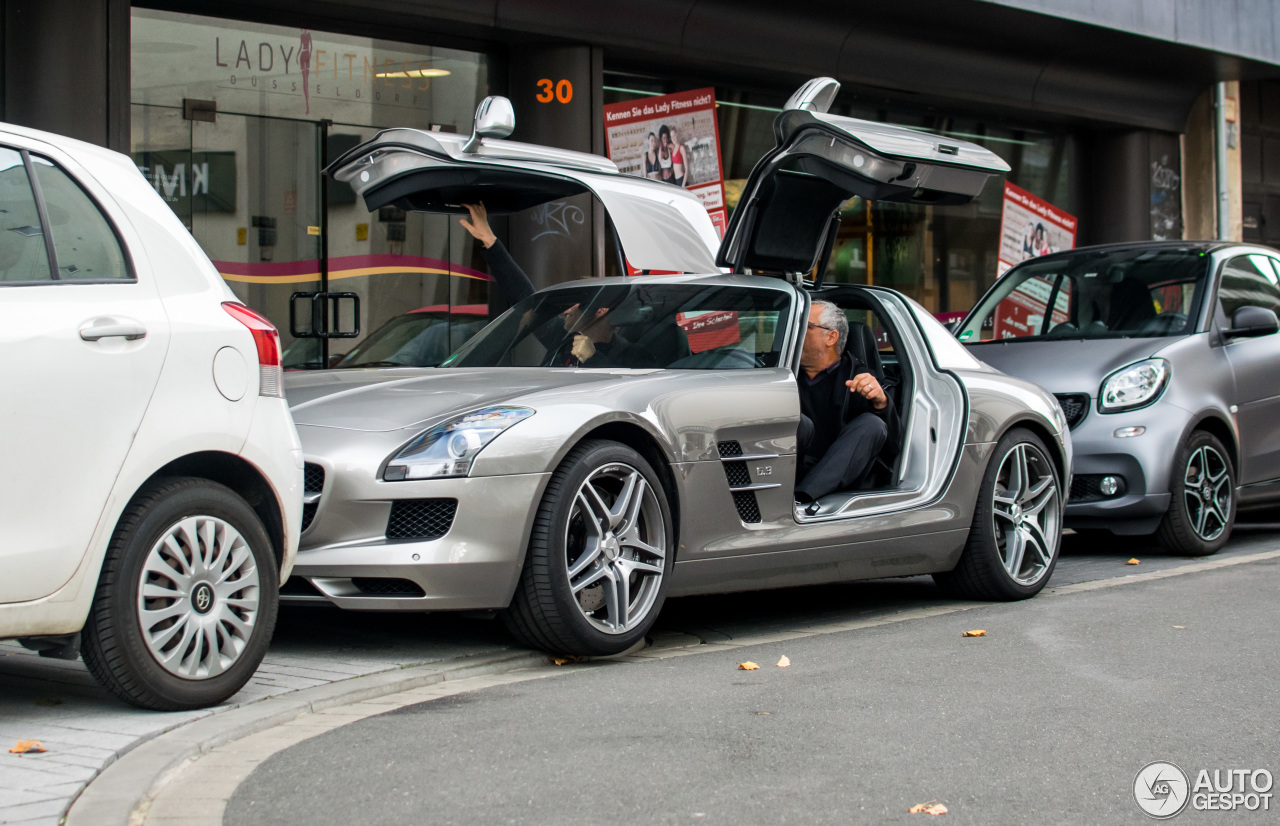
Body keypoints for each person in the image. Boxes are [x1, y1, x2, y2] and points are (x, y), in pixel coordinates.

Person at [458, 202, 623, 367]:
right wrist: (488, 239)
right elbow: (526, 297)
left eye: (574, 303)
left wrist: (592, 358)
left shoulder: (629, 353)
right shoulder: (562, 335)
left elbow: (627, 388)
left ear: (600, 310)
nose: (565, 310)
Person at [794, 300, 902, 506]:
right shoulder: (785, 373)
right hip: (789, 467)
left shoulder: (860, 379)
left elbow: (892, 447)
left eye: (805, 327)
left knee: (872, 424)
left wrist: (881, 403)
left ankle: (802, 499)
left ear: (831, 337)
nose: (796, 332)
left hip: (834, 475)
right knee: (799, 422)